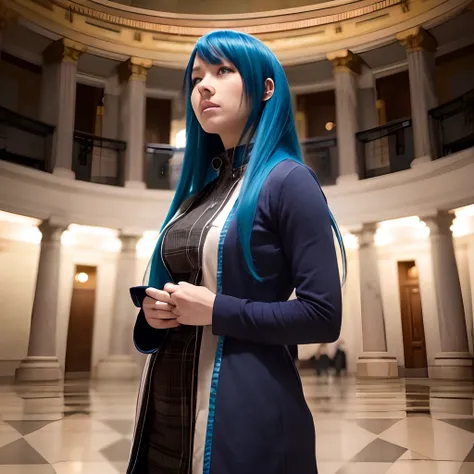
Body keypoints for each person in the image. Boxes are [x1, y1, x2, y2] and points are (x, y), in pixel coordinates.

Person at [126, 29, 346, 474]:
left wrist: (217, 310)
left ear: (266, 88)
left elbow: (324, 316)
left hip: (244, 412)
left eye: (223, 70)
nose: (203, 85)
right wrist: (153, 317)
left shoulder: (288, 181)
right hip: (165, 408)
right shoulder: (196, 196)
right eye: (196, 76)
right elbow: (185, 298)